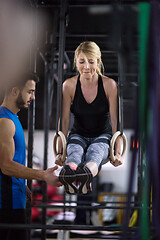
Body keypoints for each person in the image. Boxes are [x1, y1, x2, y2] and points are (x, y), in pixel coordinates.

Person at [0, 72, 62, 240]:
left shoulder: (13, 118)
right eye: (30, 91)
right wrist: (42, 175)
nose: (33, 97)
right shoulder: (5, 122)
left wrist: (22, 184)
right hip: (6, 204)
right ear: (14, 91)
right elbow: (5, 165)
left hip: (15, 198)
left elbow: (12, 161)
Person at [55, 41, 122, 195]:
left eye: (91, 62)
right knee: (74, 151)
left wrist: (117, 152)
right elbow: (64, 120)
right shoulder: (69, 86)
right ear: (76, 62)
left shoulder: (109, 85)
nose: (86, 66)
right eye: (81, 61)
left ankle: (86, 175)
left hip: (102, 136)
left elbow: (115, 120)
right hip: (78, 134)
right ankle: (69, 174)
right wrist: (59, 151)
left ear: (98, 62)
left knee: (95, 151)